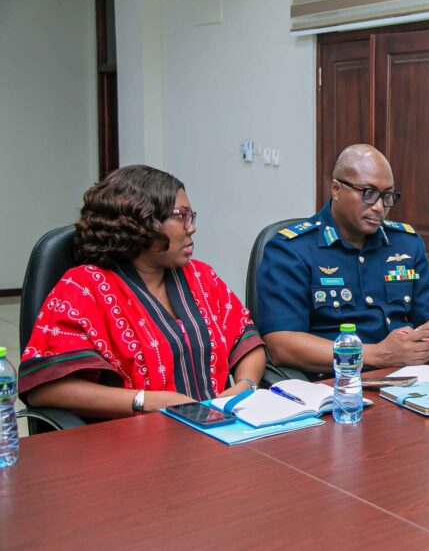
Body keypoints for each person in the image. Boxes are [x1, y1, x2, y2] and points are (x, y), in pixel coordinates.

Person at [20, 165, 265, 418]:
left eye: (191, 216)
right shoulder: (84, 286)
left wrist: (245, 385)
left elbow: (246, 341)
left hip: (215, 429)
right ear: (141, 220)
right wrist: (143, 400)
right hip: (130, 439)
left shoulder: (200, 276)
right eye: (182, 216)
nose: (191, 227)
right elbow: (45, 389)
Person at [256, 143, 429, 377]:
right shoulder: (291, 250)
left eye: (387, 196)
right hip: (337, 384)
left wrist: (426, 345)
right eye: (368, 193)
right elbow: (282, 345)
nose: (379, 207)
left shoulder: (406, 244)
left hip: (407, 377)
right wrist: (377, 355)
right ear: (336, 189)